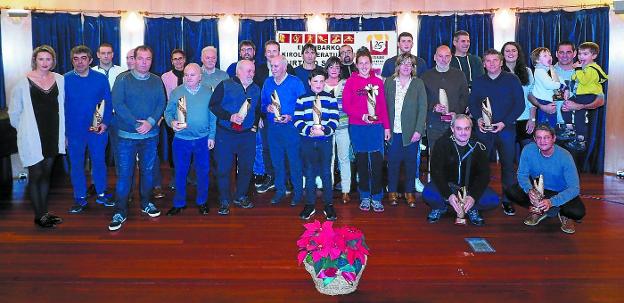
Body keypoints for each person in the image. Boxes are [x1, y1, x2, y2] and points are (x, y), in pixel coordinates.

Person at [109, 45, 166, 231]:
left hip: (150, 136)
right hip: (126, 136)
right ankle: (120, 210)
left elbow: (161, 103)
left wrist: (150, 122)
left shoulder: (157, 81)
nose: (144, 62)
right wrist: (135, 124)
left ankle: (146, 203)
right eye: (140, 58)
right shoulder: (122, 79)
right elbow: (118, 104)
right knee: (125, 174)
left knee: (148, 172)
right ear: (133, 59)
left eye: (148, 59)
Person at [8, 45, 65, 228]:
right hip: (33, 135)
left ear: (53, 61)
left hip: (53, 133)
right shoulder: (23, 82)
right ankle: (38, 215)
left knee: (47, 174)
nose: (45, 62)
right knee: (36, 174)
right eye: (41, 59)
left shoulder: (60, 79)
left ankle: (44, 212)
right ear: (35, 60)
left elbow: (62, 106)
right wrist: (24, 130)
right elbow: (14, 113)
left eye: (48, 59)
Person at [468, 49, 524, 217]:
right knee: (480, 166)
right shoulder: (478, 81)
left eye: (495, 60)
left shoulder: (512, 79)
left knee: (508, 167)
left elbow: (519, 105)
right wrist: (478, 118)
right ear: (484, 64)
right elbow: (473, 103)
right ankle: (478, 198)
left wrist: (504, 123)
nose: (491, 64)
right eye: (488, 61)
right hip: (483, 130)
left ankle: (507, 201)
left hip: (506, 130)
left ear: (501, 62)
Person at [504, 124, 585, 234]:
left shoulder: (565, 156)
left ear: (554, 139)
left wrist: (552, 202)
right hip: (539, 190)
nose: (542, 141)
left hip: (561, 192)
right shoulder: (528, 150)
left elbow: (574, 188)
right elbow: (522, 174)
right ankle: (540, 210)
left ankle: (562, 214)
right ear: (534, 139)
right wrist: (529, 191)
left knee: (577, 212)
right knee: (511, 191)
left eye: (546, 137)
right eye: (539, 137)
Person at [423, 114, 499, 225]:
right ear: (452, 129)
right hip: (449, 186)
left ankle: (471, 208)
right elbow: (436, 172)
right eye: (459, 129)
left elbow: (484, 175)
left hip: (469, 189)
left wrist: (473, 196)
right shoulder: (441, 144)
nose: (463, 132)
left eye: (466, 128)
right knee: (428, 193)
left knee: (493, 200)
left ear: (471, 129)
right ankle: (441, 207)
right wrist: (448, 194)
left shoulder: (479, 145)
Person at [64, 45, 114, 213]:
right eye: (76, 59)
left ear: (91, 60)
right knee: (77, 165)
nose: (80, 62)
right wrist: (63, 133)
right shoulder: (65, 80)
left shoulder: (100, 78)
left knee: (99, 162)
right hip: (74, 132)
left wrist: (105, 123)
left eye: (83, 58)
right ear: (72, 61)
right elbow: (61, 108)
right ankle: (80, 197)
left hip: (97, 131)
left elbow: (107, 102)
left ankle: (101, 193)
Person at [342, 47, 390, 213]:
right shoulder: (350, 82)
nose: (364, 66)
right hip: (358, 128)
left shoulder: (377, 82)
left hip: (376, 128)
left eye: (366, 63)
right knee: (362, 163)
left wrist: (386, 127)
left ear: (371, 64)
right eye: (361, 63)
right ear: (356, 64)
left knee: (376, 163)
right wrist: (361, 116)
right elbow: (347, 106)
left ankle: (376, 197)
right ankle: (364, 196)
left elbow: (383, 106)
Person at [164, 63, 215, 216]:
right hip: (181, 140)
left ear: (200, 76)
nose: (188, 78)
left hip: (202, 139)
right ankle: (179, 203)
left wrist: (212, 136)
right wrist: (172, 122)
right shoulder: (176, 92)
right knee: (180, 172)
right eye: (186, 74)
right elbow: (168, 112)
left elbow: (213, 116)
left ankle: (202, 201)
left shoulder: (208, 92)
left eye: (192, 75)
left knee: (203, 172)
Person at [210, 60, 260, 215]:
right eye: (248, 71)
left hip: (247, 136)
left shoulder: (256, 88)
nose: (252, 74)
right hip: (226, 134)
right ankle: (224, 199)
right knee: (224, 168)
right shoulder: (225, 85)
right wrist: (229, 117)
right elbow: (213, 105)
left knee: (246, 168)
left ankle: (241, 196)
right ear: (238, 71)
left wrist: (254, 127)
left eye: (253, 71)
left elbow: (258, 110)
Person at [294, 69, 339, 220]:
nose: (318, 84)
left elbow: (335, 119)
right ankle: (310, 204)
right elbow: (297, 119)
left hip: (325, 141)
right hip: (307, 140)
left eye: (321, 81)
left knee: (326, 172)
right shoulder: (302, 99)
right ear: (309, 82)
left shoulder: (331, 99)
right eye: (315, 81)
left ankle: (329, 204)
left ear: (325, 82)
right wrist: (308, 130)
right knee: (309, 172)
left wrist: (324, 130)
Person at [383, 53, 427, 207]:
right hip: (393, 132)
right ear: (398, 66)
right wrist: (386, 127)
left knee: (410, 164)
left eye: (410, 64)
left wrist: (418, 130)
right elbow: (383, 107)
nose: (407, 67)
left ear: (413, 68)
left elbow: (423, 108)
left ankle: (409, 193)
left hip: (411, 133)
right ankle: (392, 192)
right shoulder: (389, 82)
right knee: (393, 163)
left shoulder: (418, 83)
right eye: (404, 63)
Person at [262, 55, 306, 206]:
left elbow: (304, 106)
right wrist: (266, 108)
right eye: (271, 66)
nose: (273, 69)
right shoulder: (267, 83)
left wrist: (291, 116)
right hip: (273, 129)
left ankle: (298, 193)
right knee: (277, 162)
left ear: (284, 67)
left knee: (294, 162)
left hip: (291, 129)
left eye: (276, 66)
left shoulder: (296, 82)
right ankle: (280, 191)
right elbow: (262, 104)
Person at [254, 40, 296, 194]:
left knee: (286, 149)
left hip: (286, 120)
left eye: (275, 51)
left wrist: (290, 116)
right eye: (269, 51)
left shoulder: (288, 69)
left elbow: (294, 95)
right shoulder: (259, 71)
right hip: (266, 119)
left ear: (279, 53)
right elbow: (256, 96)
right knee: (267, 149)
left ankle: (287, 179)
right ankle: (271, 176)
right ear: (265, 53)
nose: (271, 54)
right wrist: (258, 116)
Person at [421, 45, 469, 158]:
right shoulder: (425, 76)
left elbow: (465, 97)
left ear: (451, 57)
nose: (444, 59)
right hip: (434, 123)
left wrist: (456, 112)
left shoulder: (459, 75)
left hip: (455, 123)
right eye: (440, 56)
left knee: (455, 156)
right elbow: (422, 99)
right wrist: (433, 106)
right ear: (434, 57)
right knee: (436, 157)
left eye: (447, 56)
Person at [563, 42, 608, 151]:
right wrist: (576, 70)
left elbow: (583, 80)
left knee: (579, 116)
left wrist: (578, 69)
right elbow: (575, 78)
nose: (581, 56)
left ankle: (580, 139)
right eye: (580, 54)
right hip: (581, 94)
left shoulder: (592, 69)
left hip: (588, 95)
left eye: (585, 54)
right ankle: (570, 129)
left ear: (594, 56)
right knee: (566, 107)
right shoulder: (584, 67)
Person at [501, 42, 536, 161]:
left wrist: (532, 118)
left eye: (513, 50)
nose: (511, 53)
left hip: (524, 118)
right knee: (507, 156)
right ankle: (510, 179)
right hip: (505, 120)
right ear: (502, 54)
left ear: (518, 53)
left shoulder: (527, 71)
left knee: (528, 154)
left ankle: (528, 179)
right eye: (507, 51)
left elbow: (531, 96)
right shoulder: (498, 72)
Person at [324, 56, 351, 203]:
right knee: (329, 159)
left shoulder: (346, 84)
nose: (334, 70)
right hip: (327, 128)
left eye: (337, 67)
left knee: (344, 158)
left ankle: (346, 191)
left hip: (343, 127)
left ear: (340, 70)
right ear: (327, 69)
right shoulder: (321, 84)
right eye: (331, 67)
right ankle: (329, 188)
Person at [160, 49, 187, 191]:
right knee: (174, 146)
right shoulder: (165, 77)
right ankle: (175, 174)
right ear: (171, 61)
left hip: (190, 117)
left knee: (189, 145)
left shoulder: (191, 74)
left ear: (185, 59)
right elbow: (163, 98)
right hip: (172, 118)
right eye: (175, 59)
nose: (178, 61)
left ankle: (189, 174)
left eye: (180, 58)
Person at [530, 47, 565, 128]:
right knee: (547, 122)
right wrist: (560, 85)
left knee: (548, 121)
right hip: (544, 100)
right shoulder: (540, 71)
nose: (549, 57)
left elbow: (558, 78)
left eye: (549, 55)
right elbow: (548, 84)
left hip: (546, 99)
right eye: (545, 56)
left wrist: (564, 86)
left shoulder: (547, 70)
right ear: (537, 60)